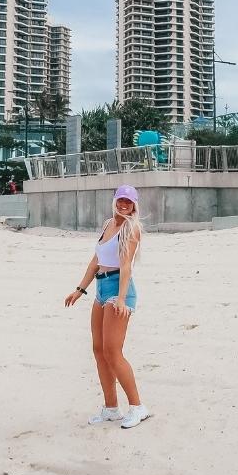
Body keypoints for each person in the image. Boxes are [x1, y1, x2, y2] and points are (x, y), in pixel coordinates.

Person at [64, 184, 150, 429]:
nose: (124, 205)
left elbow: (126, 266)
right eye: (121, 200)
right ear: (114, 200)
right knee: (99, 350)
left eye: (129, 202)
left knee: (113, 351)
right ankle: (111, 408)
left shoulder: (131, 228)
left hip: (118, 289)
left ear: (134, 205)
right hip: (101, 289)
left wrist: (121, 299)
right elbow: (96, 260)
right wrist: (80, 289)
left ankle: (138, 407)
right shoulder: (107, 225)